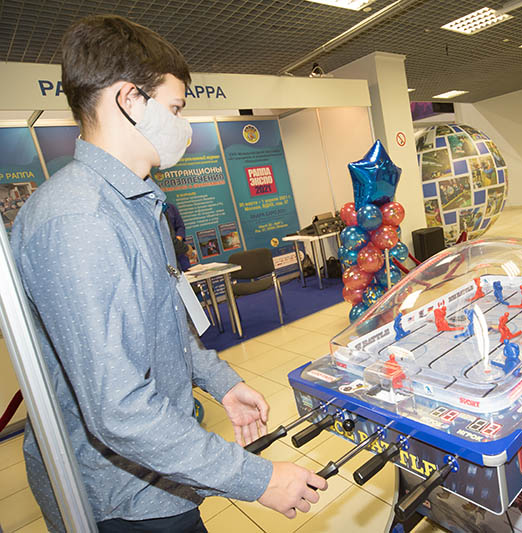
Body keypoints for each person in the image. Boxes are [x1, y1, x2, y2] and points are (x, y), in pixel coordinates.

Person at [11, 15, 326, 532]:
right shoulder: (78, 221)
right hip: (121, 501)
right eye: (175, 108)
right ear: (129, 100)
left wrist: (220, 383)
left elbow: (165, 328)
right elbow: (119, 411)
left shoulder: (139, 204)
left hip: (163, 475)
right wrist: (258, 479)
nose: (183, 124)